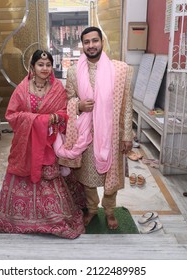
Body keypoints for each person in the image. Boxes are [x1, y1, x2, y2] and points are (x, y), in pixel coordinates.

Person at [0, 50, 85, 239]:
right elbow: (12, 115)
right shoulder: (22, 89)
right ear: (32, 66)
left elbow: (65, 112)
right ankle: (16, 220)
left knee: (51, 183)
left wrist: (55, 118)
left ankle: (53, 220)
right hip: (26, 146)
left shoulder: (58, 88)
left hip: (48, 145)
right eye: (40, 65)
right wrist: (39, 120)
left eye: (48, 65)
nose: (44, 68)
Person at [54, 27, 134, 230]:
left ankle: (109, 210)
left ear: (102, 42)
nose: (91, 45)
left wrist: (127, 135)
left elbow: (126, 105)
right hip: (86, 134)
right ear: (82, 45)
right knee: (87, 177)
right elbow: (68, 100)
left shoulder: (120, 70)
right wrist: (78, 106)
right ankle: (91, 208)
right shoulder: (73, 71)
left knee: (111, 174)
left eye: (94, 41)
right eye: (87, 42)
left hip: (112, 133)